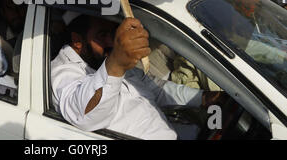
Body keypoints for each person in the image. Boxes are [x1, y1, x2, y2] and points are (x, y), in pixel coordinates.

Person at [51, 13, 224, 140]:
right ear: (77, 41)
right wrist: (116, 63)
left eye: (113, 34)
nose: (112, 42)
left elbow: (157, 89)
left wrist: (202, 98)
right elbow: (84, 116)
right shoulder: (63, 72)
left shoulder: (104, 60)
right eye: (102, 35)